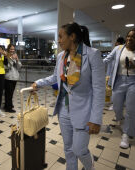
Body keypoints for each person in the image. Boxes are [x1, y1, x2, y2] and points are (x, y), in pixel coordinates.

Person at [32, 22, 105, 170]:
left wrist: (96, 119)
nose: (58, 40)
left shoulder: (92, 55)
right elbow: (55, 77)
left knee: (79, 149)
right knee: (68, 149)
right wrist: (39, 82)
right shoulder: (61, 56)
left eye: (60, 36)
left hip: (84, 110)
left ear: (72, 37)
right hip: (64, 109)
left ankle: (90, 166)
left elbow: (99, 89)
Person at [103, 28, 135, 148]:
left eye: (133, 37)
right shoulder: (118, 49)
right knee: (116, 106)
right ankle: (121, 119)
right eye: (128, 36)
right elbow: (107, 59)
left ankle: (126, 134)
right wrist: (92, 62)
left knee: (131, 110)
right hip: (119, 81)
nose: (129, 38)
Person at [106, 37, 125, 111]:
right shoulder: (121, 49)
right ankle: (117, 104)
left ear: (118, 42)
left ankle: (115, 105)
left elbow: (108, 59)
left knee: (115, 89)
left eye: (116, 42)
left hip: (117, 73)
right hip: (117, 73)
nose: (115, 43)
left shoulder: (117, 48)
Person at [4, 44, 22, 113]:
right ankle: (8, 108)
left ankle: (8, 105)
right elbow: (6, 67)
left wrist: (17, 60)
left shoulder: (14, 56)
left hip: (14, 77)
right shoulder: (6, 57)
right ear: (8, 49)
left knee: (11, 93)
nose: (12, 50)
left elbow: (19, 67)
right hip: (8, 78)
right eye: (11, 49)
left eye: (13, 49)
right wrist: (11, 59)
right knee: (8, 93)